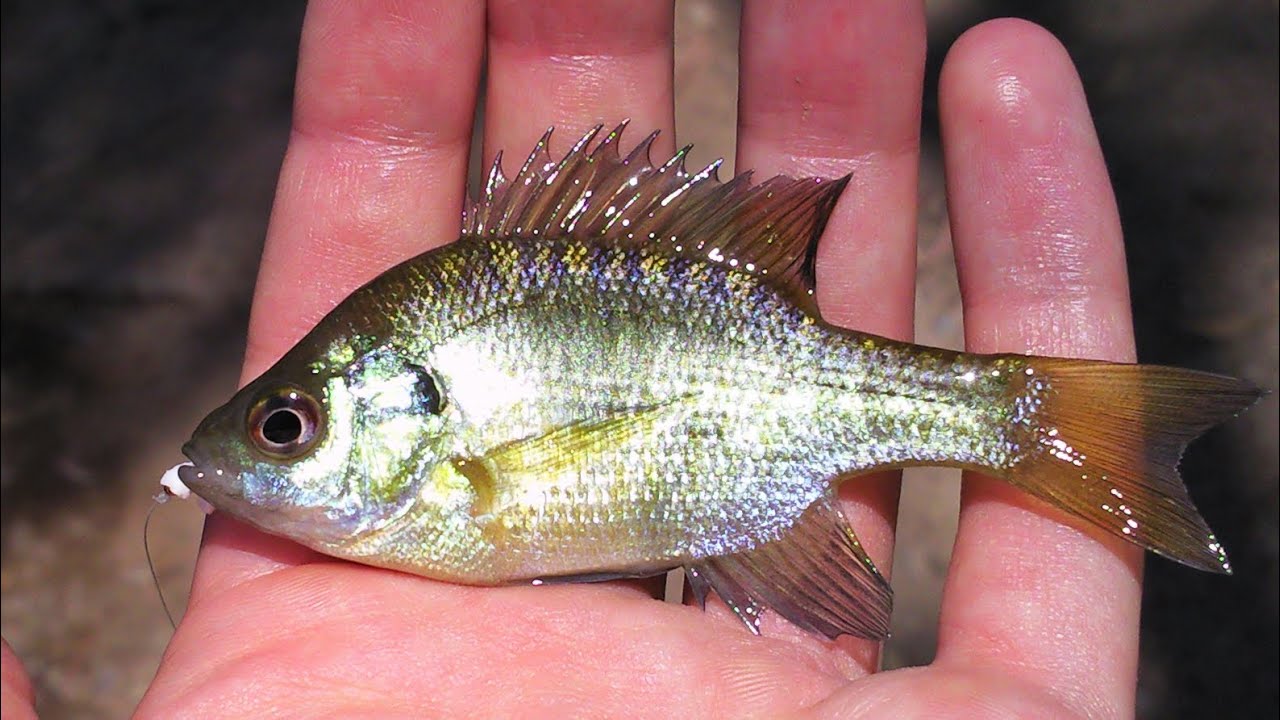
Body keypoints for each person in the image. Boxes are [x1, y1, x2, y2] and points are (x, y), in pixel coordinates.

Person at [0, 3, 1149, 717]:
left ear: (402, 408)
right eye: (282, 424)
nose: (261, 450)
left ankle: (1024, 419)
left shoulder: (442, 471)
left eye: (287, 427)